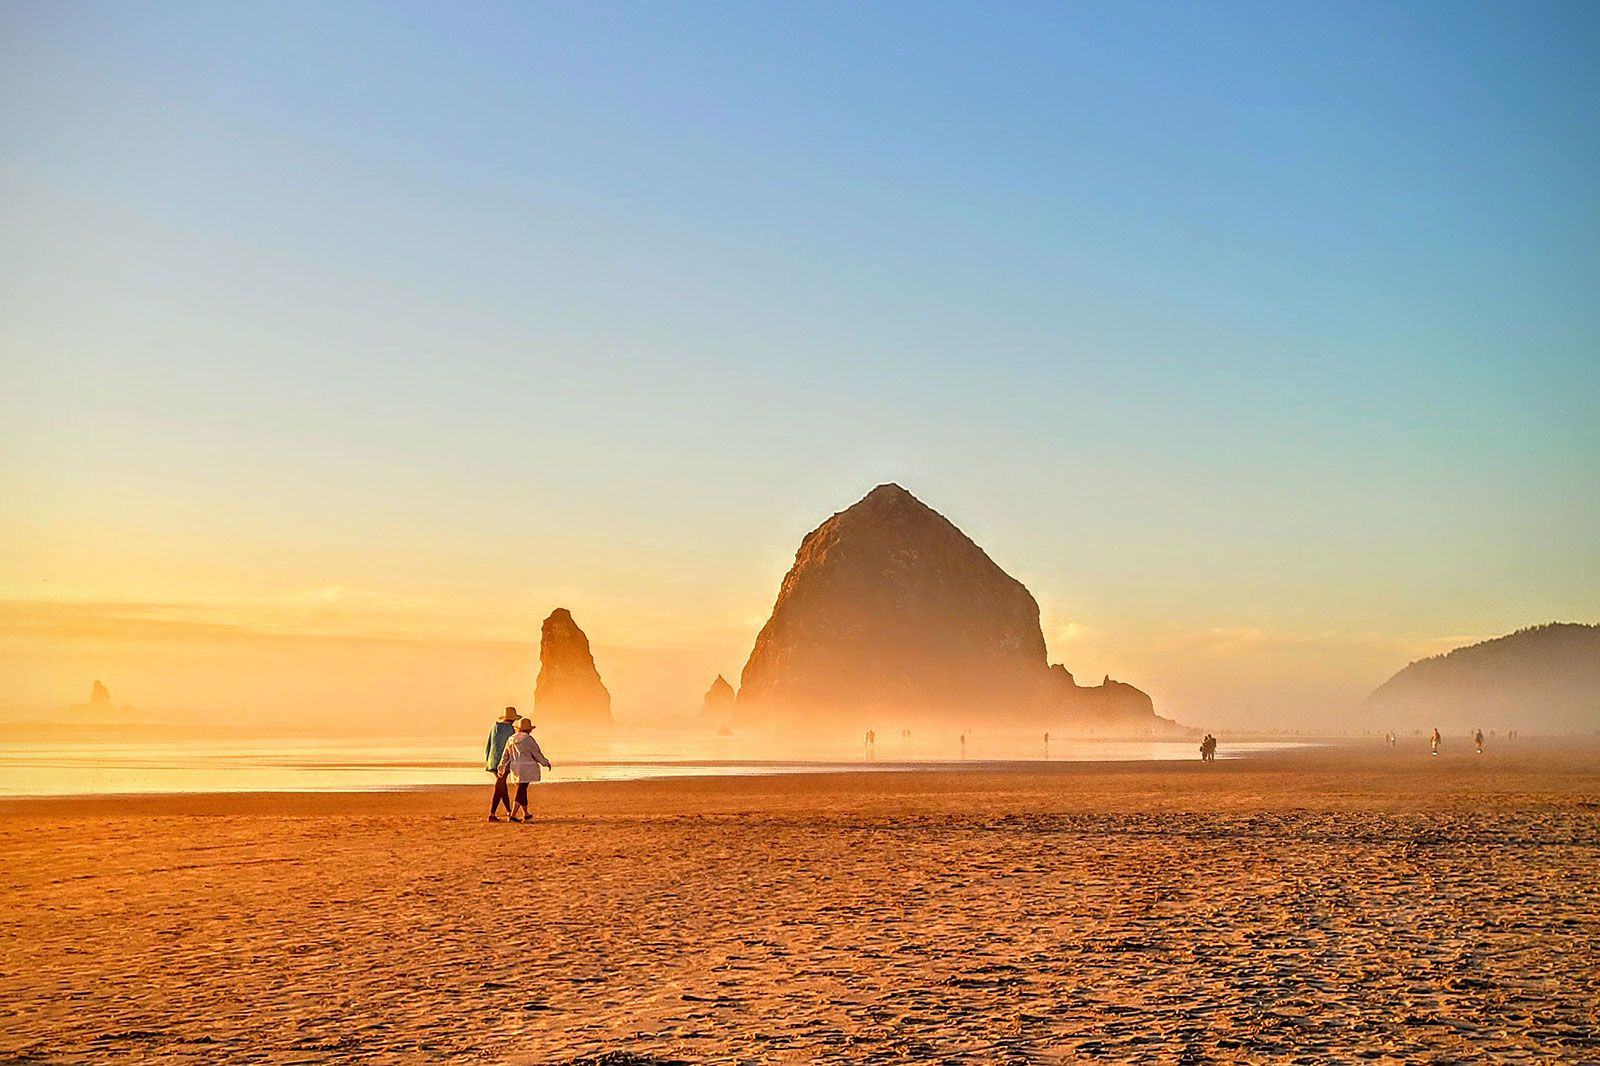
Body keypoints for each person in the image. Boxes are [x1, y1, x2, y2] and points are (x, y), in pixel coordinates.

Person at [496, 717, 553, 823]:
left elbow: (505, 755)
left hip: (515, 767)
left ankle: (526, 814)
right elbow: (536, 753)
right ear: (529, 729)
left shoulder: (511, 739)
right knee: (521, 790)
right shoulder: (528, 739)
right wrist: (545, 762)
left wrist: (501, 766)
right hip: (527, 768)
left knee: (522, 790)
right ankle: (513, 815)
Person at [484, 706, 520, 822]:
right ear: (513, 719)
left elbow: (488, 746)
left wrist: (488, 761)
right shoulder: (510, 730)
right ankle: (492, 814)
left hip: (492, 760)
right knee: (500, 785)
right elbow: (511, 747)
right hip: (503, 762)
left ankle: (509, 811)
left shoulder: (494, 727)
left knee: (502, 785)